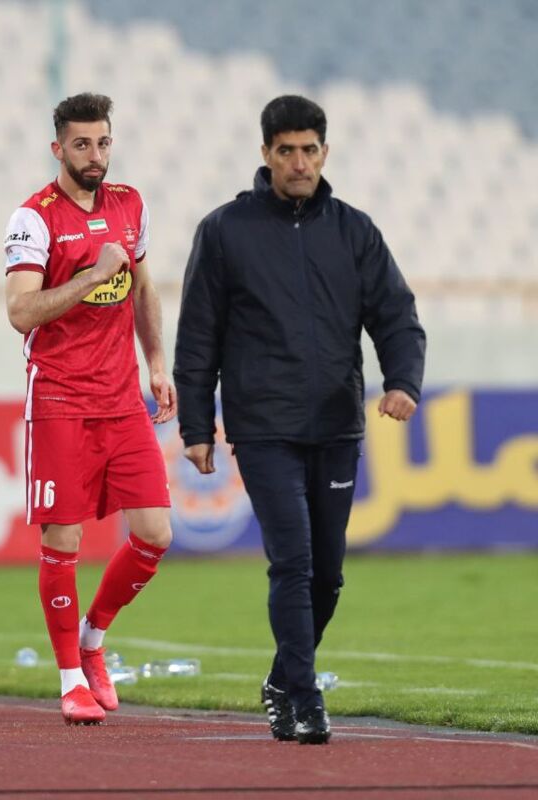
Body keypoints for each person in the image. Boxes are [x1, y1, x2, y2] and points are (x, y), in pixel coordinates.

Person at [174, 95, 426, 745]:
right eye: (285, 150)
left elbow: (395, 315)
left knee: (329, 573)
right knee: (292, 561)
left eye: (310, 149)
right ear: (265, 154)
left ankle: (282, 678)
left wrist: (402, 382)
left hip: (338, 423)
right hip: (263, 427)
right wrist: (197, 427)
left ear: (325, 152)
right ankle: (307, 697)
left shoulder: (354, 230)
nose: (299, 162)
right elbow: (198, 336)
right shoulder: (225, 231)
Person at [3, 93, 176, 725]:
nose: (95, 155)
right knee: (64, 538)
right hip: (59, 396)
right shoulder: (33, 219)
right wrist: (90, 274)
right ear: (58, 149)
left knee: (156, 534)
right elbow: (20, 312)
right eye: (81, 144)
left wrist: (156, 362)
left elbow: (144, 287)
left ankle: (94, 638)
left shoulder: (130, 203)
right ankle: (71, 680)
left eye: (102, 142)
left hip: (122, 395)